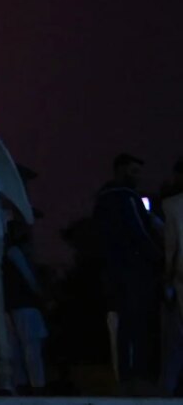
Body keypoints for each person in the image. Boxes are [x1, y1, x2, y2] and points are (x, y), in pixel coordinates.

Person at [94, 153, 163, 395]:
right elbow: (139, 231)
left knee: (125, 325)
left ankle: (126, 377)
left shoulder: (102, 199)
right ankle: (137, 377)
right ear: (121, 170)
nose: (138, 177)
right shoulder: (126, 197)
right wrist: (159, 256)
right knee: (138, 324)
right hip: (134, 270)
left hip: (113, 270)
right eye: (133, 172)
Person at [4, 219, 48, 394]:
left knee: (18, 347)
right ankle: (36, 384)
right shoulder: (16, 252)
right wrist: (40, 294)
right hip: (23, 305)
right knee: (31, 346)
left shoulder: (7, 253)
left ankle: (23, 383)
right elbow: (29, 278)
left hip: (13, 306)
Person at [161, 158, 183, 395]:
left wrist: (167, 280)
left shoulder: (172, 205)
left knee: (176, 337)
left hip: (180, 277)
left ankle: (168, 388)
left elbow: (171, 247)